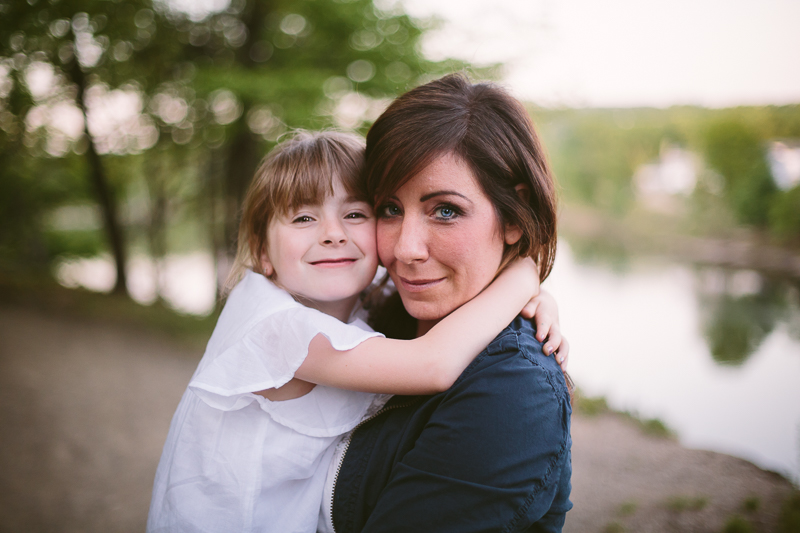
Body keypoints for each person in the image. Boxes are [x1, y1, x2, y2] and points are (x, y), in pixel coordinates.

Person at [146, 131, 565, 533]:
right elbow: (433, 364)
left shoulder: (346, 302)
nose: (332, 234)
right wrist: (522, 275)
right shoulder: (274, 325)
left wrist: (538, 298)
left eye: (355, 214)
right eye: (304, 217)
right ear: (261, 252)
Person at [323, 74, 573, 533]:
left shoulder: (512, 393)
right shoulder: (376, 315)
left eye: (446, 211)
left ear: (514, 216)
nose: (405, 249)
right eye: (389, 209)